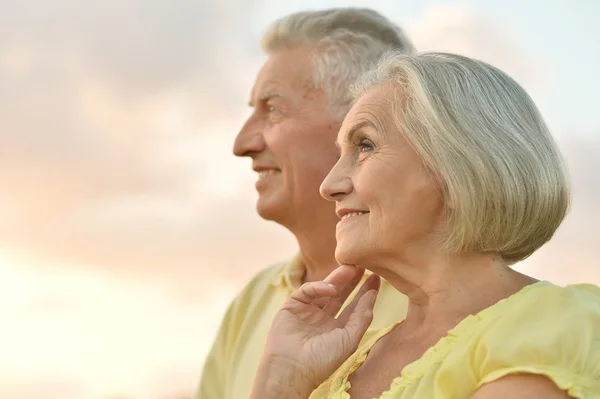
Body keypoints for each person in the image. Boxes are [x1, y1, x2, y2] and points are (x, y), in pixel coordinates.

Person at [250, 52, 600, 399]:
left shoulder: (553, 325)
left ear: (459, 172)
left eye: (365, 146)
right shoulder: (349, 358)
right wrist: (282, 380)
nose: (329, 185)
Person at [197, 9, 416, 399]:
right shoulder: (253, 300)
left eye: (273, 108)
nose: (242, 144)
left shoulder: (450, 300)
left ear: (361, 120)